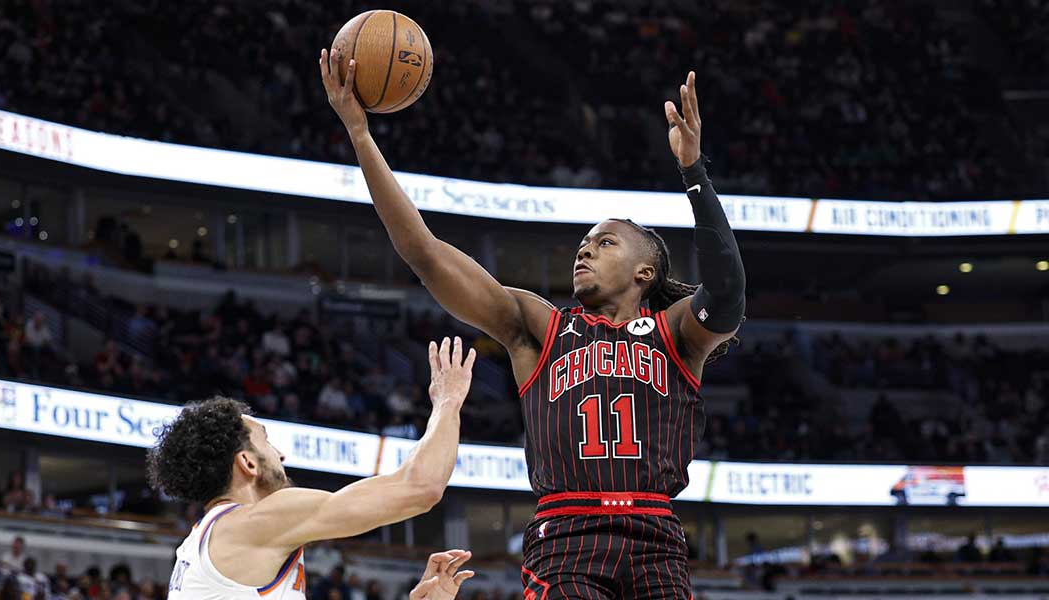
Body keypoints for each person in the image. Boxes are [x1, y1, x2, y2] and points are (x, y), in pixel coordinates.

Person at [323, 56, 744, 599]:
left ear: (646, 271)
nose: (585, 249)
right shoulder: (539, 327)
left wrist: (694, 173)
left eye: (604, 241)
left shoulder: (677, 335)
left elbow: (728, 292)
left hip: (656, 537)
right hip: (566, 535)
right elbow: (424, 254)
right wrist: (359, 134)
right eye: (583, 243)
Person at [150, 338, 478, 600]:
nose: (281, 454)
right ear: (248, 463)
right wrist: (448, 402)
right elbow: (421, 488)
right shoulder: (251, 524)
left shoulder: (205, 545)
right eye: (266, 441)